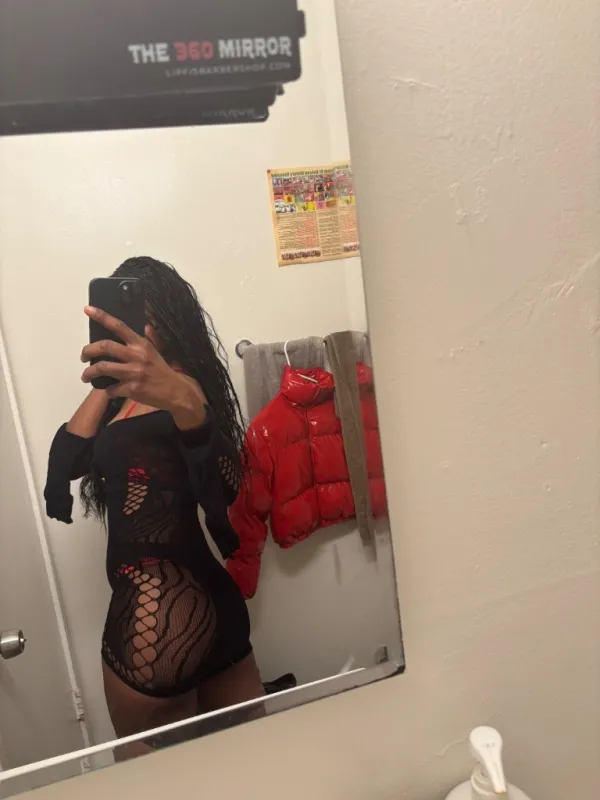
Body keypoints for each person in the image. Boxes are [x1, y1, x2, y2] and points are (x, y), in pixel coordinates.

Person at [44, 256, 264, 759]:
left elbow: (227, 484)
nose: (136, 330)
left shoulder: (184, 389)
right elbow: (67, 463)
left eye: (147, 317)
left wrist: (189, 409)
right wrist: (106, 383)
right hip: (214, 604)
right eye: (126, 317)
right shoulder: (120, 399)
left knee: (152, 782)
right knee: (251, 763)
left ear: (169, 321)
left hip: (156, 609)